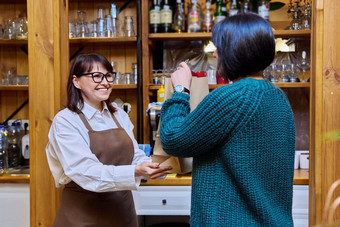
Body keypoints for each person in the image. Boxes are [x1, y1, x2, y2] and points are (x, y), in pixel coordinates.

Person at [160, 13, 295, 226]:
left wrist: (180, 91)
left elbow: (173, 139)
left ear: (236, 52)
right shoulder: (278, 97)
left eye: (219, 48)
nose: (215, 53)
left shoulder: (232, 97)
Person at [46, 53, 171, 227]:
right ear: (76, 81)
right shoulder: (66, 120)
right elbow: (85, 171)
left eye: (108, 75)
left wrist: (149, 166)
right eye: (96, 76)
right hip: (82, 216)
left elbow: (134, 154)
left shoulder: (119, 114)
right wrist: (135, 171)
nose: (105, 82)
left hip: (122, 213)